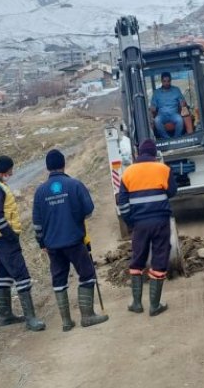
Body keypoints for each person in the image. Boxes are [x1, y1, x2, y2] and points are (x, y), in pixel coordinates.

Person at [32, 149, 108, 330]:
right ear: (64, 164)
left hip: (52, 245)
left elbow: (37, 223)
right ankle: (87, 316)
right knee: (87, 274)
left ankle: (66, 322)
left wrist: (42, 243)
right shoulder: (74, 185)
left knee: (59, 280)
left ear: (47, 168)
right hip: (74, 241)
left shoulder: (40, 192)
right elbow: (88, 210)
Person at [0, 155, 45, 331]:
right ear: (5, 170)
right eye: (11, 169)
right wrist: (10, 235)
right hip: (3, 238)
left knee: (3, 274)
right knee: (21, 274)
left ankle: (6, 316)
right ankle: (31, 319)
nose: (12, 172)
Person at [117, 139, 177, 316]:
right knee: (159, 258)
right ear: (154, 154)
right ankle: (154, 305)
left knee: (137, 259)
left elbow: (122, 202)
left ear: (139, 154)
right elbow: (172, 192)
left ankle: (136, 303)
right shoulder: (163, 169)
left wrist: (130, 221)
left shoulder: (128, 173)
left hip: (139, 224)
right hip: (160, 222)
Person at [150, 72, 188, 139]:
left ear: (171, 81)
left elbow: (183, 102)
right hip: (162, 115)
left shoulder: (176, 90)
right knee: (157, 120)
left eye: (168, 81)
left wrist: (183, 103)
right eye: (164, 81)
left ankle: (176, 138)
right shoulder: (156, 93)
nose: (166, 83)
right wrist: (152, 109)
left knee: (180, 120)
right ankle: (167, 139)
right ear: (161, 81)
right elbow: (153, 107)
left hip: (174, 114)